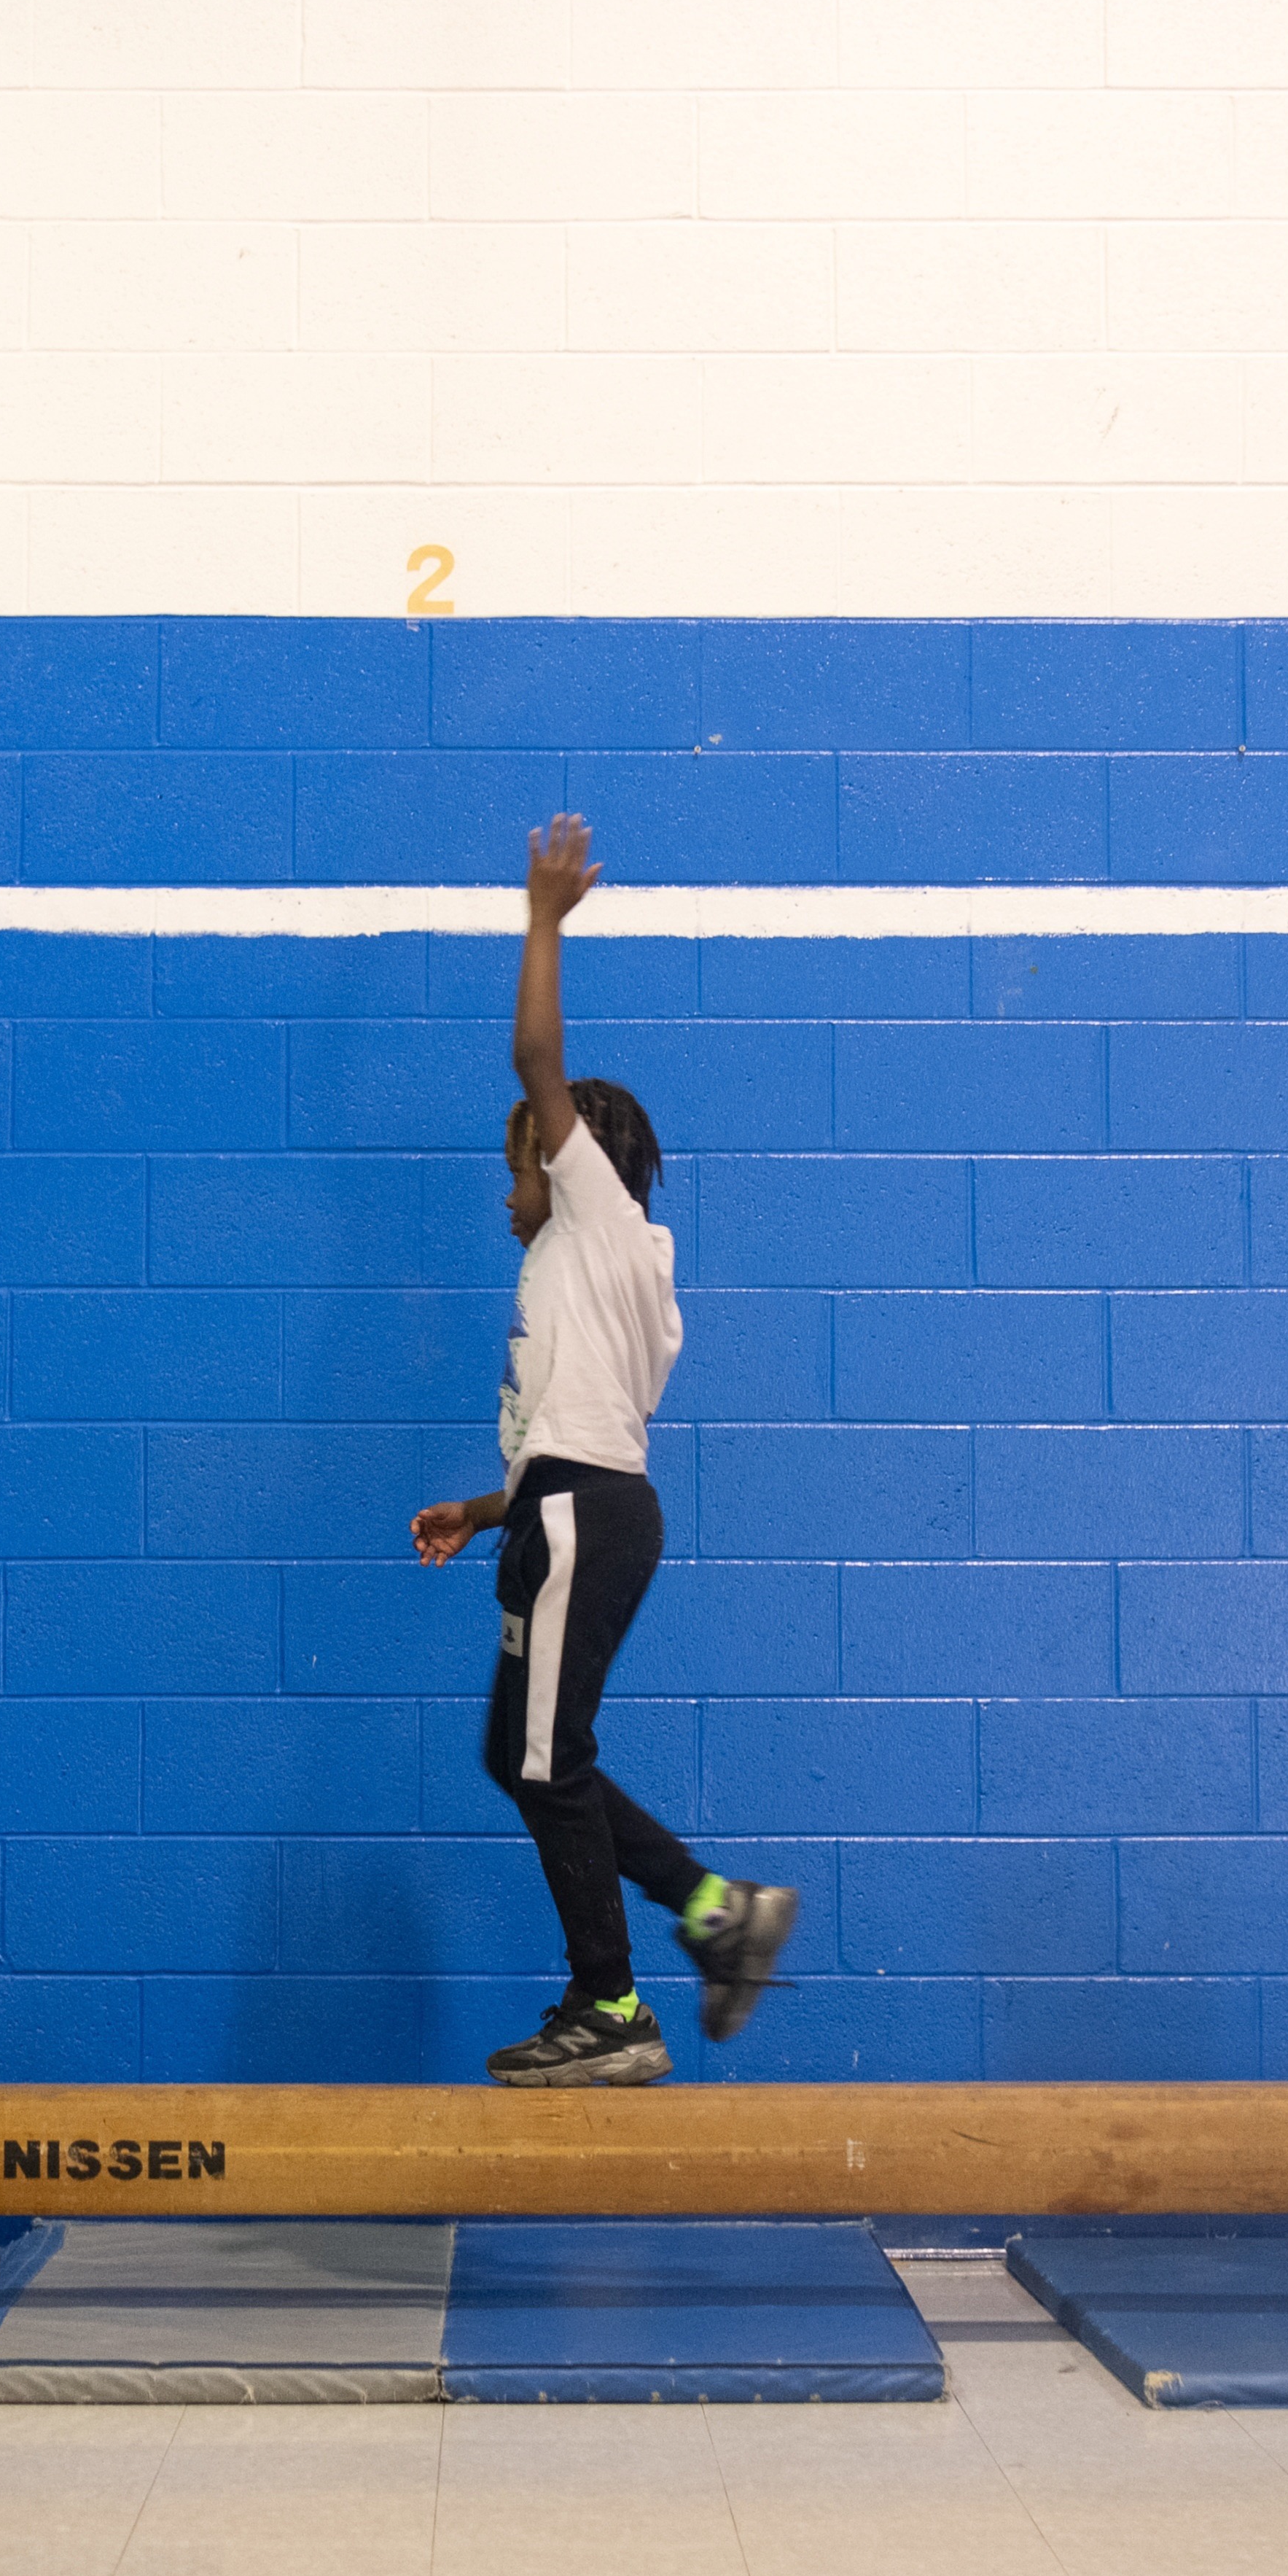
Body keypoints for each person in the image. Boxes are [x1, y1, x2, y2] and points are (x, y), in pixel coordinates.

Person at [409, 817, 797, 2084]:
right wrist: (483, 1507)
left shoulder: (599, 1221)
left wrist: (540, 918)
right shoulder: (595, 1273)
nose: (505, 1183)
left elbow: (535, 1053)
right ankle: (708, 1923)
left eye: (518, 1157)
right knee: (519, 1755)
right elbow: (572, 1431)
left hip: (583, 1517)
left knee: (543, 1756)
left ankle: (614, 2005)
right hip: (560, 1509)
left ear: (568, 1158)